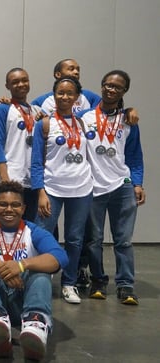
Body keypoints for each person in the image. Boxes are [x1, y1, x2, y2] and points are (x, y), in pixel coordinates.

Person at [0, 180, 68, 360]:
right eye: (3, 204)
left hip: (22, 299)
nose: (9, 209)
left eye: (15, 205)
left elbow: (59, 257)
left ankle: (35, 325)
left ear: (23, 208)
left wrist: (22, 265)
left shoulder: (33, 231)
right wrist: (2, 267)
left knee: (41, 273)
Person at [79, 70, 145, 305]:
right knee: (94, 239)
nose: (111, 89)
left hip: (122, 186)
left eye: (117, 87)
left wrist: (137, 183)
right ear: (101, 86)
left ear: (124, 91)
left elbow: (135, 156)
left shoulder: (129, 121)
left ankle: (126, 285)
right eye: (107, 85)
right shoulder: (84, 117)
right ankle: (98, 281)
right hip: (93, 187)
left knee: (123, 240)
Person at [30, 76, 93, 304]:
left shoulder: (84, 123)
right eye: (60, 93)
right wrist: (40, 191)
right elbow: (36, 161)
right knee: (43, 235)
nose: (64, 97)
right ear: (53, 95)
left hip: (81, 189)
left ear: (77, 98)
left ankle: (69, 283)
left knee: (75, 239)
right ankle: (40, 280)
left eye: (70, 93)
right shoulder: (44, 124)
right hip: (52, 189)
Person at [0, 68, 43, 222]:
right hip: (10, 176)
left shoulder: (37, 112)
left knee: (29, 223)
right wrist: (5, 178)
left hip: (31, 179)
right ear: (7, 86)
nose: (21, 84)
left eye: (24, 80)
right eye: (15, 82)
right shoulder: (2, 110)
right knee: (8, 221)